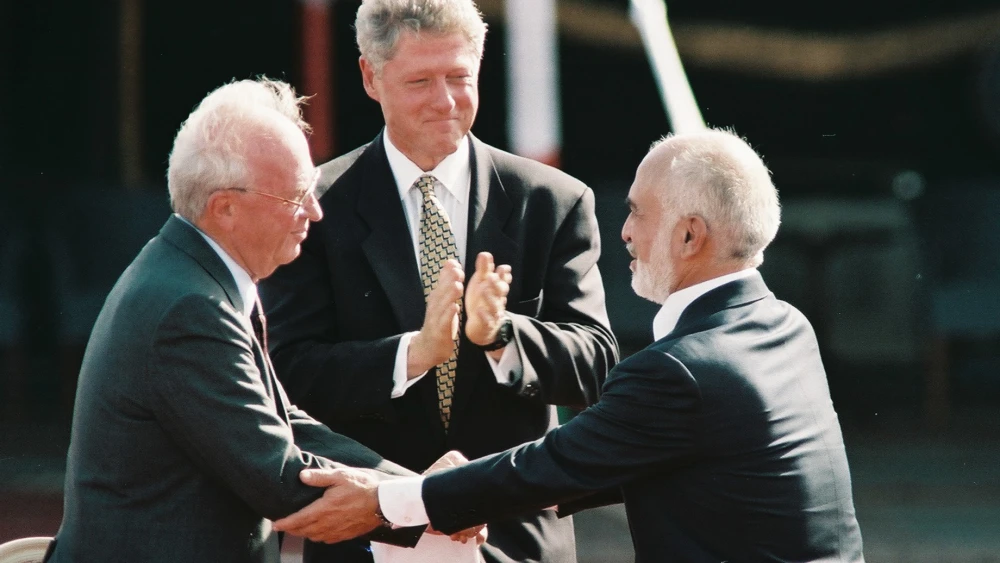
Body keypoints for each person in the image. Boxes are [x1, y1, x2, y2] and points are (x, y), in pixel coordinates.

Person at [273, 129, 867, 562]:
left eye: (637, 213)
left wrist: (394, 502)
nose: (625, 232)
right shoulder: (785, 326)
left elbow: (558, 464)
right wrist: (460, 491)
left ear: (690, 236)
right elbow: (609, 458)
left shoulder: (678, 371)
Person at [258, 1, 619, 562]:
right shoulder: (316, 208)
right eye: (420, 81)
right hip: (369, 533)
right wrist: (411, 355)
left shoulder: (551, 201)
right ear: (370, 78)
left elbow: (595, 366)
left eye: (458, 77)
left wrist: (501, 335)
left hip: (512, 538)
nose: (445, 100)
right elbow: (287, 378)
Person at [44, 78, 425, 563]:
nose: (315, 211)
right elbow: (280, 477)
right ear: (224, 208)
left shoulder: (196, 275)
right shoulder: (190, 307)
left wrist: (417, 488)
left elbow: (286, 425)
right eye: (296, 196)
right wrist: (424, 503)